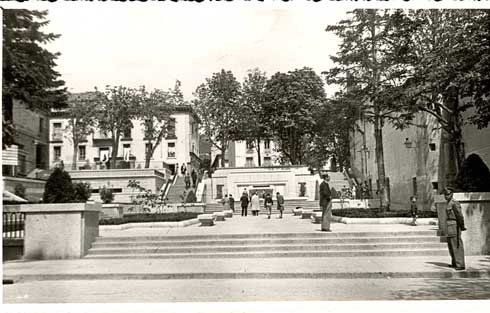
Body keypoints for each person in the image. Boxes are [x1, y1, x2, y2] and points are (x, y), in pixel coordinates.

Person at [443, 187, 466, 270]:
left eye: (448, 194)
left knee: (456, 245)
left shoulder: (454, 203)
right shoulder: (448, 203)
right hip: (449, 226)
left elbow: (459, 216)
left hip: (455, 225)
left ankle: (460, 264)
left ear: (452, 194)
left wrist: (462, 226)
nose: (446, 196)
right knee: (451, 245)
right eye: (445, 195)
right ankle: (454, 263)